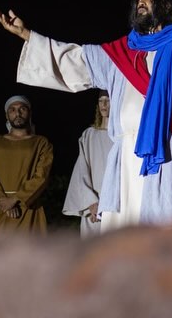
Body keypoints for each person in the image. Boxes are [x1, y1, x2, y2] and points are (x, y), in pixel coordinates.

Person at [0, 0, 172, 232]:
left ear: (168, 4)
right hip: (124, 156)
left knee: (160, 231)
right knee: (121, 233)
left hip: (164, 153)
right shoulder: (121, 52)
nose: (141, 2)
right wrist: (28, 35)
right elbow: (76, 59)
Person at [0, 95, 54, 234]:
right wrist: (4, 203)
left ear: (29, 113)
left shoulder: (41, 143)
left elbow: (41, 176)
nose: (17, 113)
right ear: (7, 115)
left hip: (28, 208)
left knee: (29, 252)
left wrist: (15, 199)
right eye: (12, 110)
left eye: (22, 109)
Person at [62, 89, 114, 237]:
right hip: (94, 207)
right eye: (101, 101)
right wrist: (91, 202)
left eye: (108, 100)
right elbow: (82, 171)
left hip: (117, 204)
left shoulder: (122, 137)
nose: (104, 104)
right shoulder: (89, 135)